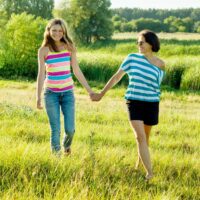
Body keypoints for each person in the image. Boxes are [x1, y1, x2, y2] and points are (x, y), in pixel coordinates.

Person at [91, 30, 165, 180]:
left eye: (142, 42)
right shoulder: (132, 58)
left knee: (146, 138)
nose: (139, 45)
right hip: (134, 101)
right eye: (137, 42)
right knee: (140, 137)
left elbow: (157, 86)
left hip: (151, 103)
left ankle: (139, 164)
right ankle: (149, 173)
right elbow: (116, 77)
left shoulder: (161, 64)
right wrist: (101, 94)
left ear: (151, 44)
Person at [36, 18, 94, 155]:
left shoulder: (70, 47)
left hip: (68, 93)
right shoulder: (43, 50)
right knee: (55, 128)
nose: (57, 33)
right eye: (54, 30)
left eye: (60, 31)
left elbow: (76, 70)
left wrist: (89, 90)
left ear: (64, 32)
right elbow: (41, 74)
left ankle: (66, 146)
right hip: (50, 94)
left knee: (70, 129)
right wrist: (38, 97)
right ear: (49, 31)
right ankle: (56, 160)